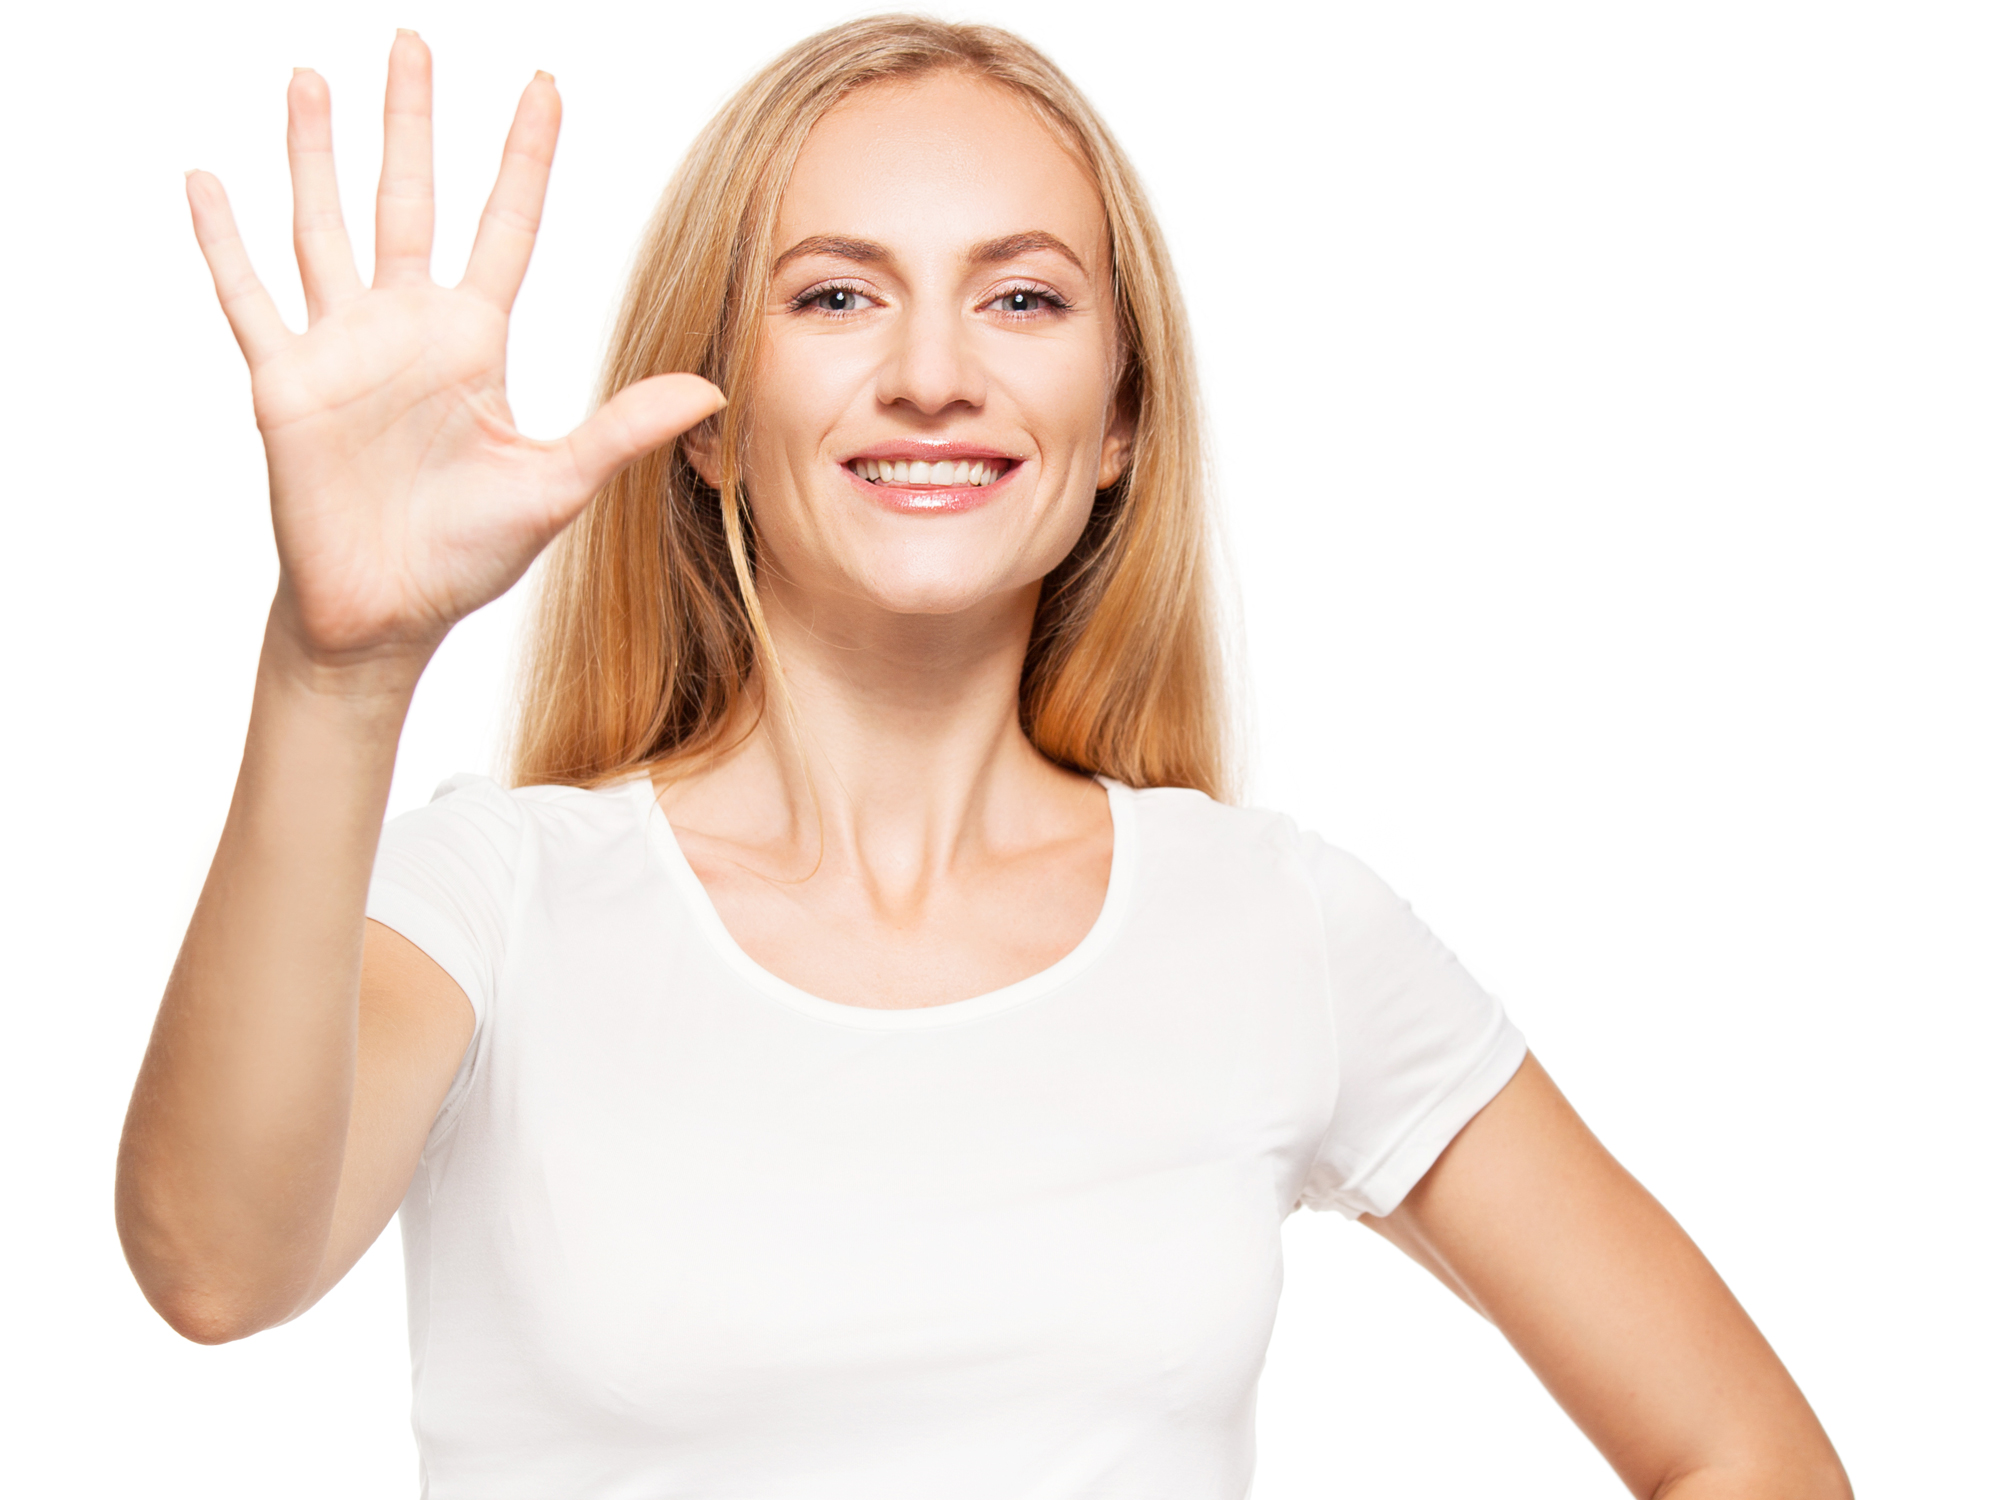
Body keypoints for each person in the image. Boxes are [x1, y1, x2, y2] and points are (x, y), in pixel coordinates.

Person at [116, 16, 1850, 1499]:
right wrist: (338, 672)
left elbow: (1749, 1455)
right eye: (835, 295)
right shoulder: (497, 900)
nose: (933, 374)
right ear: (708, 416)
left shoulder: (1280, 926)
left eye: (1022, 297)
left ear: (1119, 419)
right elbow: (213, 1266)